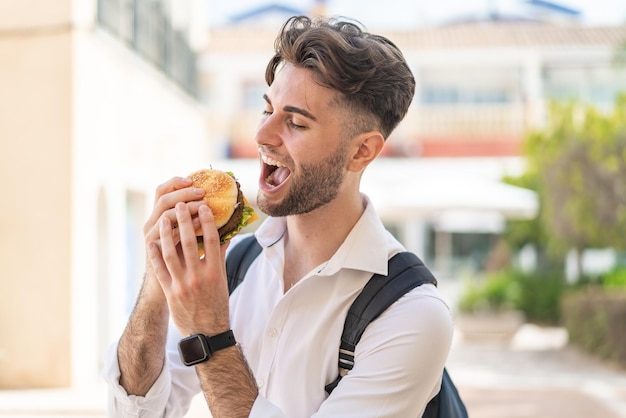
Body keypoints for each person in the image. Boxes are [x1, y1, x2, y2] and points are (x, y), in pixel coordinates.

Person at [104, 15, 453, 417]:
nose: (262, 135)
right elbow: (138, 411)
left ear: (362, 152)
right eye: (267, 109)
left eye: (295, 122)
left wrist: (211, 332)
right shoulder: (237, 266)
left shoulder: (410, 315)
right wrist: (156, 284)